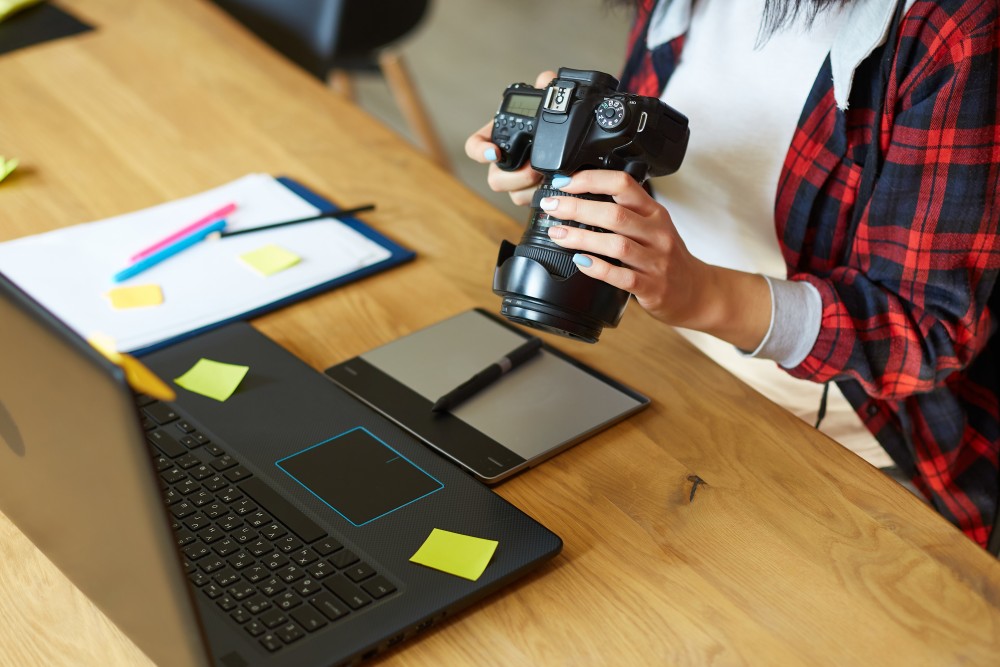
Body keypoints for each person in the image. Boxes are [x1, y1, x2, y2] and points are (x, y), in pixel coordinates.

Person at [465, 0, 1000, 551]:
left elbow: (927, 332)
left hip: (836, 437)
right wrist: (564, 169)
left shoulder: (950, 26)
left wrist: (702, 296)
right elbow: (654, 166)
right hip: (656, 362)